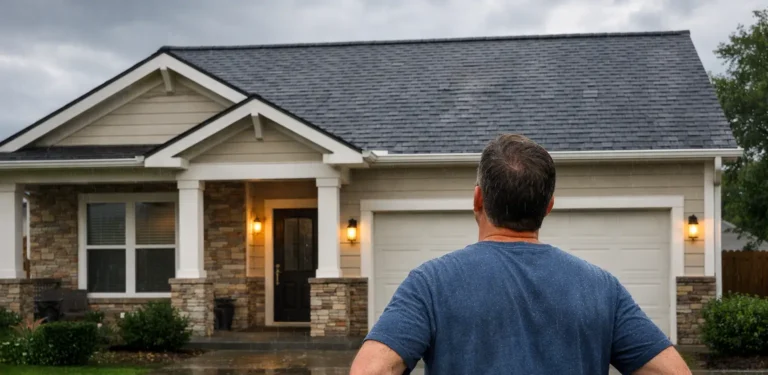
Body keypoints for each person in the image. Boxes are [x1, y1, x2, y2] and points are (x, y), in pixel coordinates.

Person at [349, 134, 691, 374]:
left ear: (478, 200)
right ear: (549, 206)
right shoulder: (602, 288)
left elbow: (370, 369)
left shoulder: (431, 284)